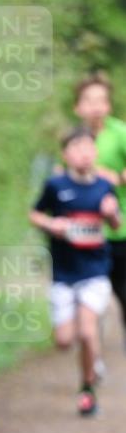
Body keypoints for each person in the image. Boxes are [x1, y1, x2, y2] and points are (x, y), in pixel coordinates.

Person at [29, 126, 120, 416]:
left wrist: (111, 214)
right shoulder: (55, 186)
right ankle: (93, 362)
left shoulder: (105, 187)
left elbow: (116, 225)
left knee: (87, 332)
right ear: (66, 155)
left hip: (95, 270)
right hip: (63, 274)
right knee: (64, 341)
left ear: (95, 152)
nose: (84, 153)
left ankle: (88, 390)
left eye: (88, 147)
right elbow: (35, 214)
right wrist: (50, 225)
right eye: (77, 148)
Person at [73, 74, 126, 346]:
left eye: (101, 100)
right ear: (77, 107)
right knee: (89, 298)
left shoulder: (120, 134)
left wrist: (114, 178)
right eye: (88, 100)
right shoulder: (74, 139)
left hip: (120, 230)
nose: (95, 106)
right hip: (86, 233)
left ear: (109, 105)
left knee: (122, 292)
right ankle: (94, 356)